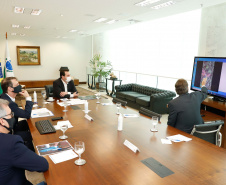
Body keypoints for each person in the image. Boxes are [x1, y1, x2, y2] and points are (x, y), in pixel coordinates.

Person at [0, 99, 49, 185]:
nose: (12, 117)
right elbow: (42, 165)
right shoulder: (10, 143)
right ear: (2, 121)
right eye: (10, 115)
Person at [0, 77, 34, 150]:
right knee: (31, 134)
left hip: (11, 126)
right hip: (8, 133)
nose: (20, 86)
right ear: (10, 88)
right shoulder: (8, 102)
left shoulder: (5, 97)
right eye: (17, 84)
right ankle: (29, 153)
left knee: (28, 124)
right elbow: (26, 114)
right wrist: (28, 97)